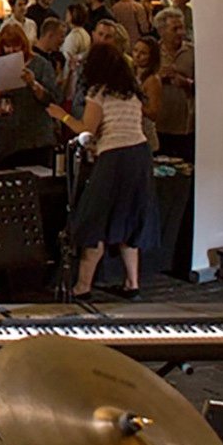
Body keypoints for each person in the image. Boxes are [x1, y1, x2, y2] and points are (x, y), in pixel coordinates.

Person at [48, 44, 156, 298]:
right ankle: (132, 282)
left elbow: (87, 128)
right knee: (128, 220)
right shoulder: (131, 92)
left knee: (95, 220)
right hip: (140, 156)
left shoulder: (98, 92)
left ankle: (82, 286)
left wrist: (61, 116)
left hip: (115, 159)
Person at [0, 24, 56, 169]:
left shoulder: (42, 65)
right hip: (9, 140)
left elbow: (52, 99)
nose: (12, 50)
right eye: (7, 46)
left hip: (37, 138)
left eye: (16, 46)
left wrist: (33, 84)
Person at [152, 9, 196, 161]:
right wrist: (158, 78)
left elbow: (205, 86)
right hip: (159, 124)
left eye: (182, 27)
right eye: (175, 29)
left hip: (184, 126)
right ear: (161, 31)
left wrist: (185, 83)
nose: (181, 32)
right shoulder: (152, 52)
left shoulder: (192, 53)